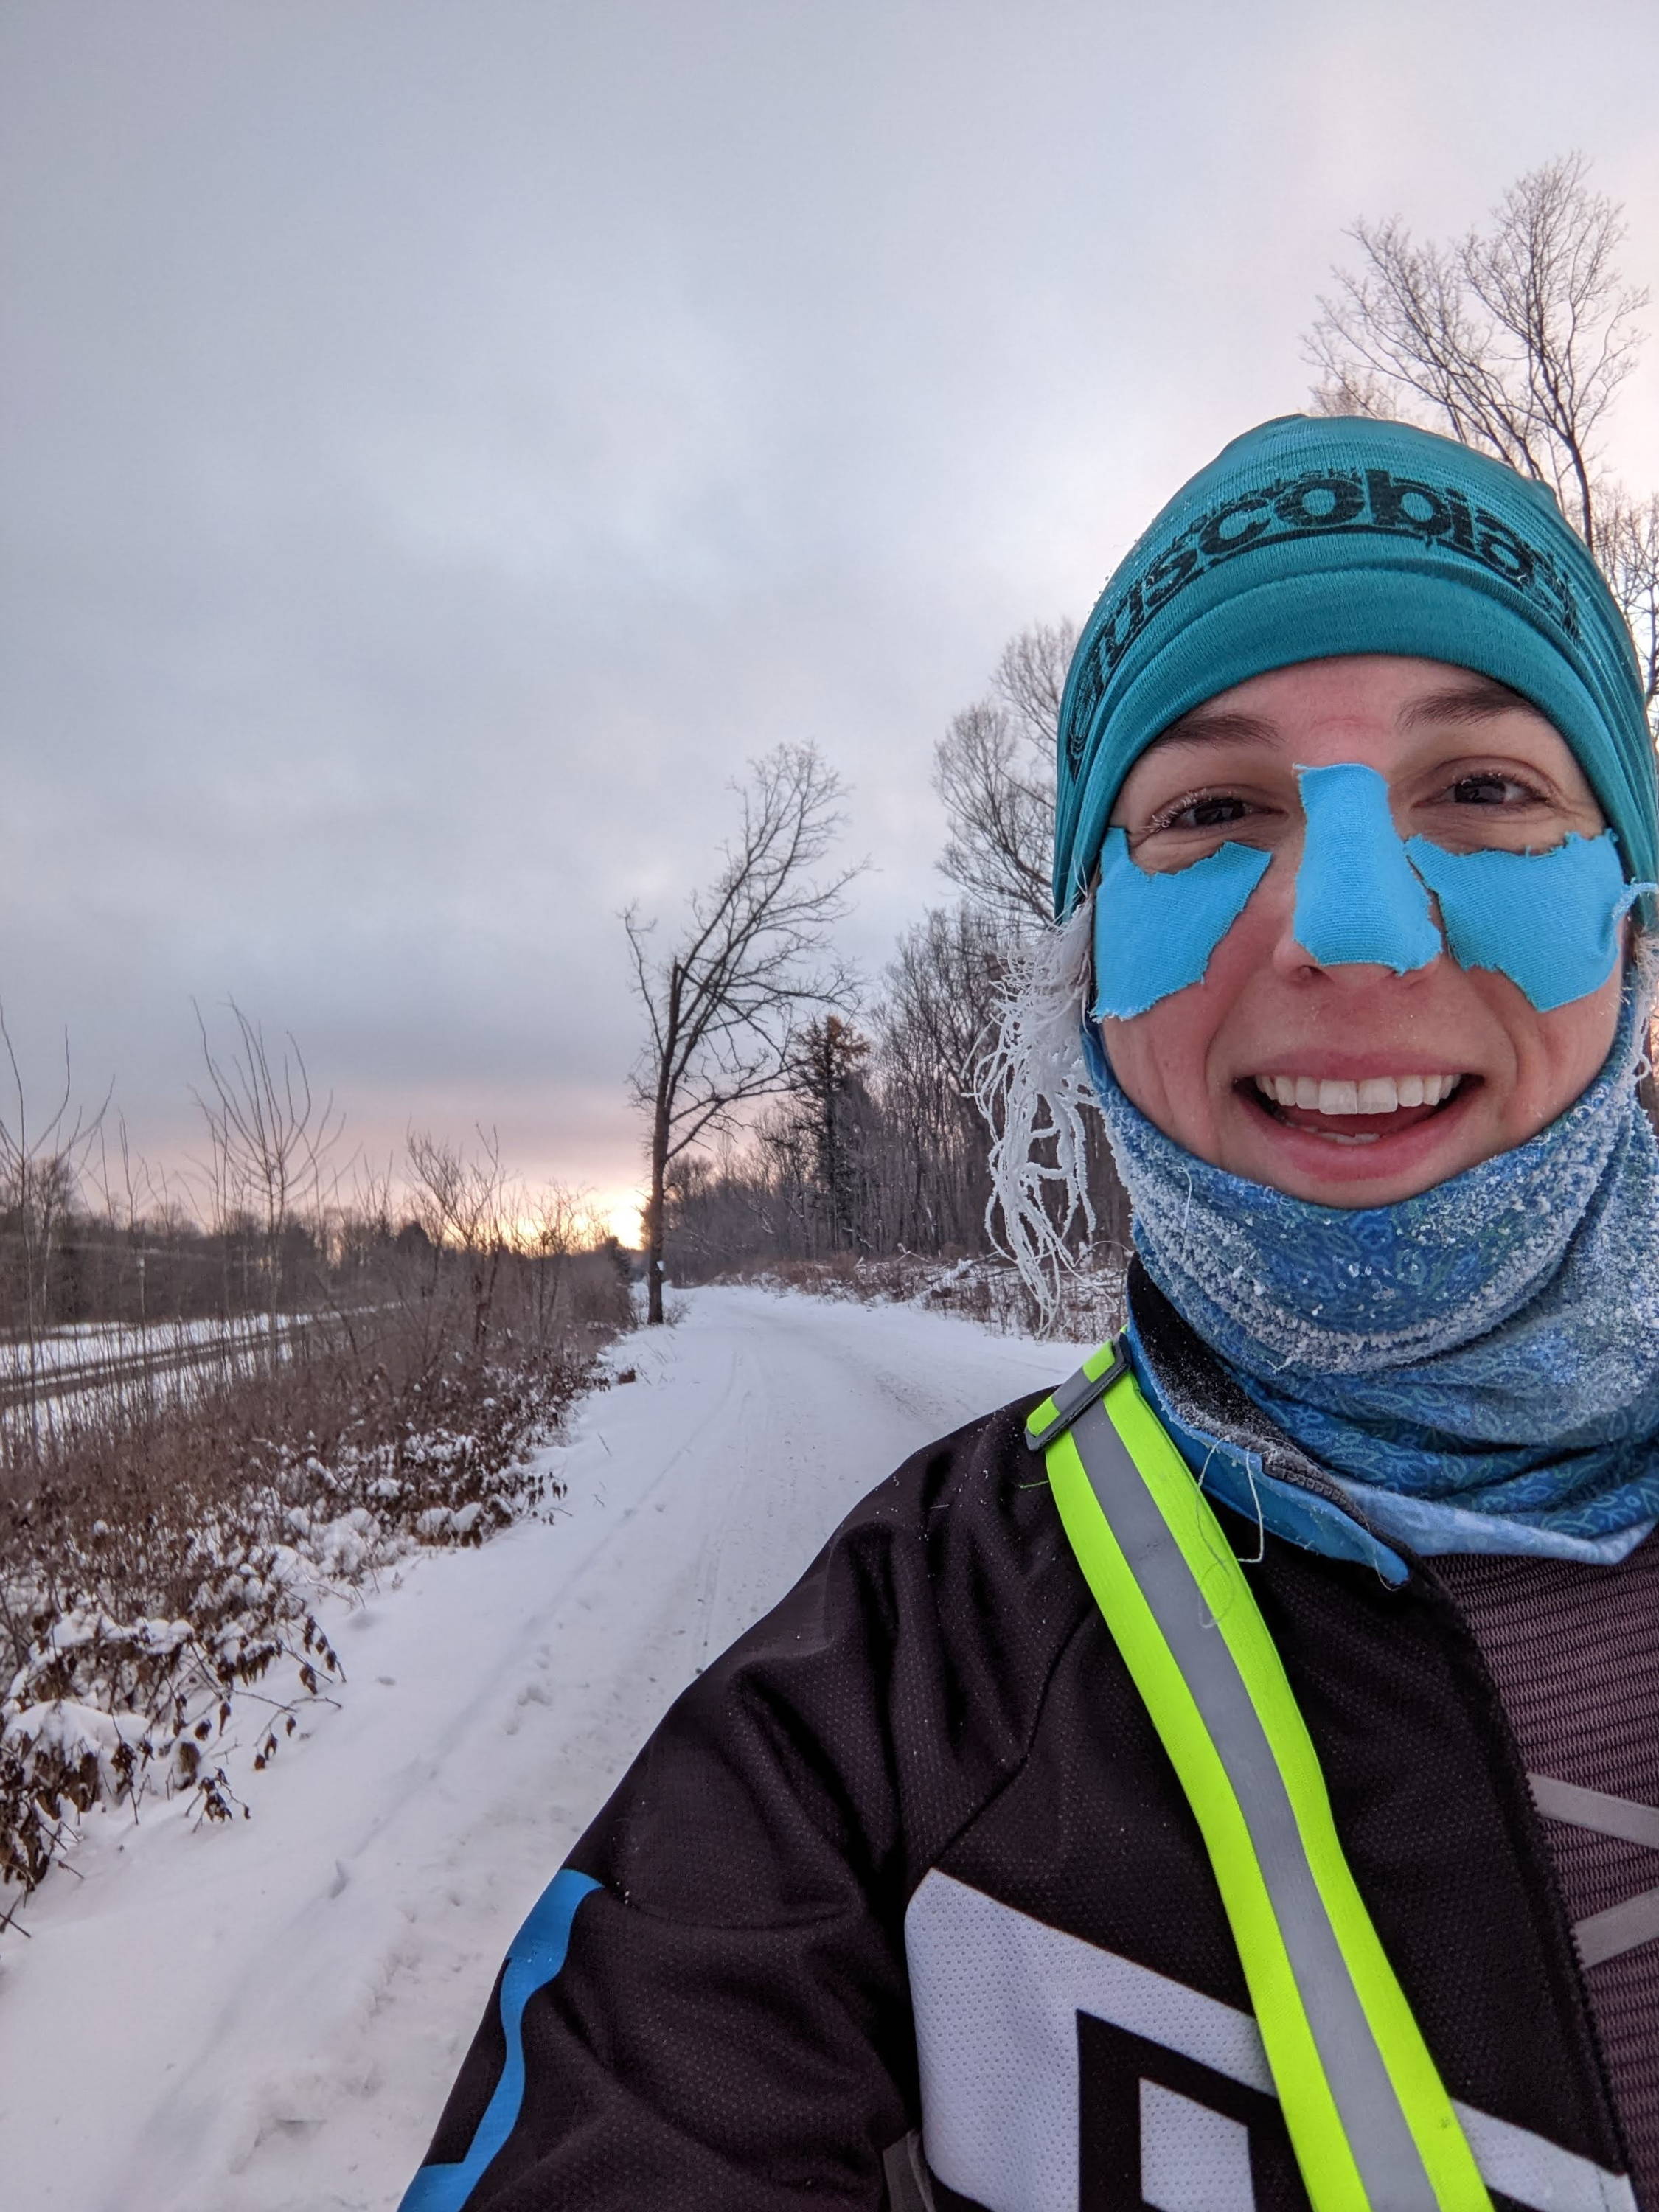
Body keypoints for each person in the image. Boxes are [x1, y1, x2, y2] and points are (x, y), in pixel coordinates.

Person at [400, 416, 1659, 2211]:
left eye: (1487, 790)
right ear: (1087, 982)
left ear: (1630, 924)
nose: (1355, 930)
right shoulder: (882, 1705)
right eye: (1214, 813)